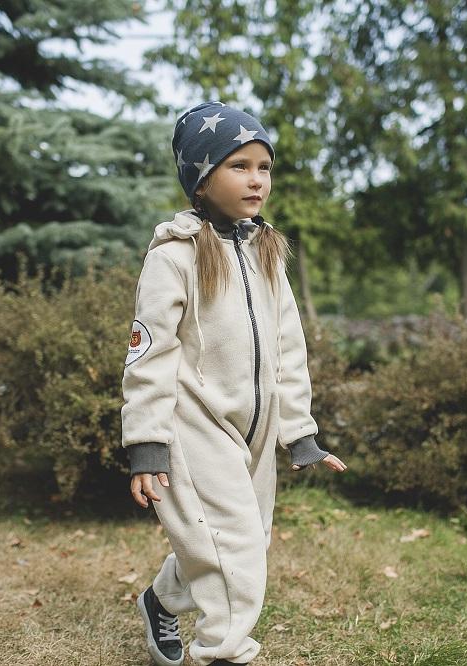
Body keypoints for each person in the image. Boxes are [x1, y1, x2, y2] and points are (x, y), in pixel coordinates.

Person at [121, 100, 348, 666]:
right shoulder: (173, 257)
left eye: (264, 167)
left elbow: (287, 345)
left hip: (254, 430)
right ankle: (224, 652)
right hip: (194, 424)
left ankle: (161, 599)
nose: (257, 179)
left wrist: (299, 430)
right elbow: (149, 356)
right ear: (201, 179)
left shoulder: (267, 251)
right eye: (239, 166)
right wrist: (146, 443)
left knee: (235, 540)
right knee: (236, 551)